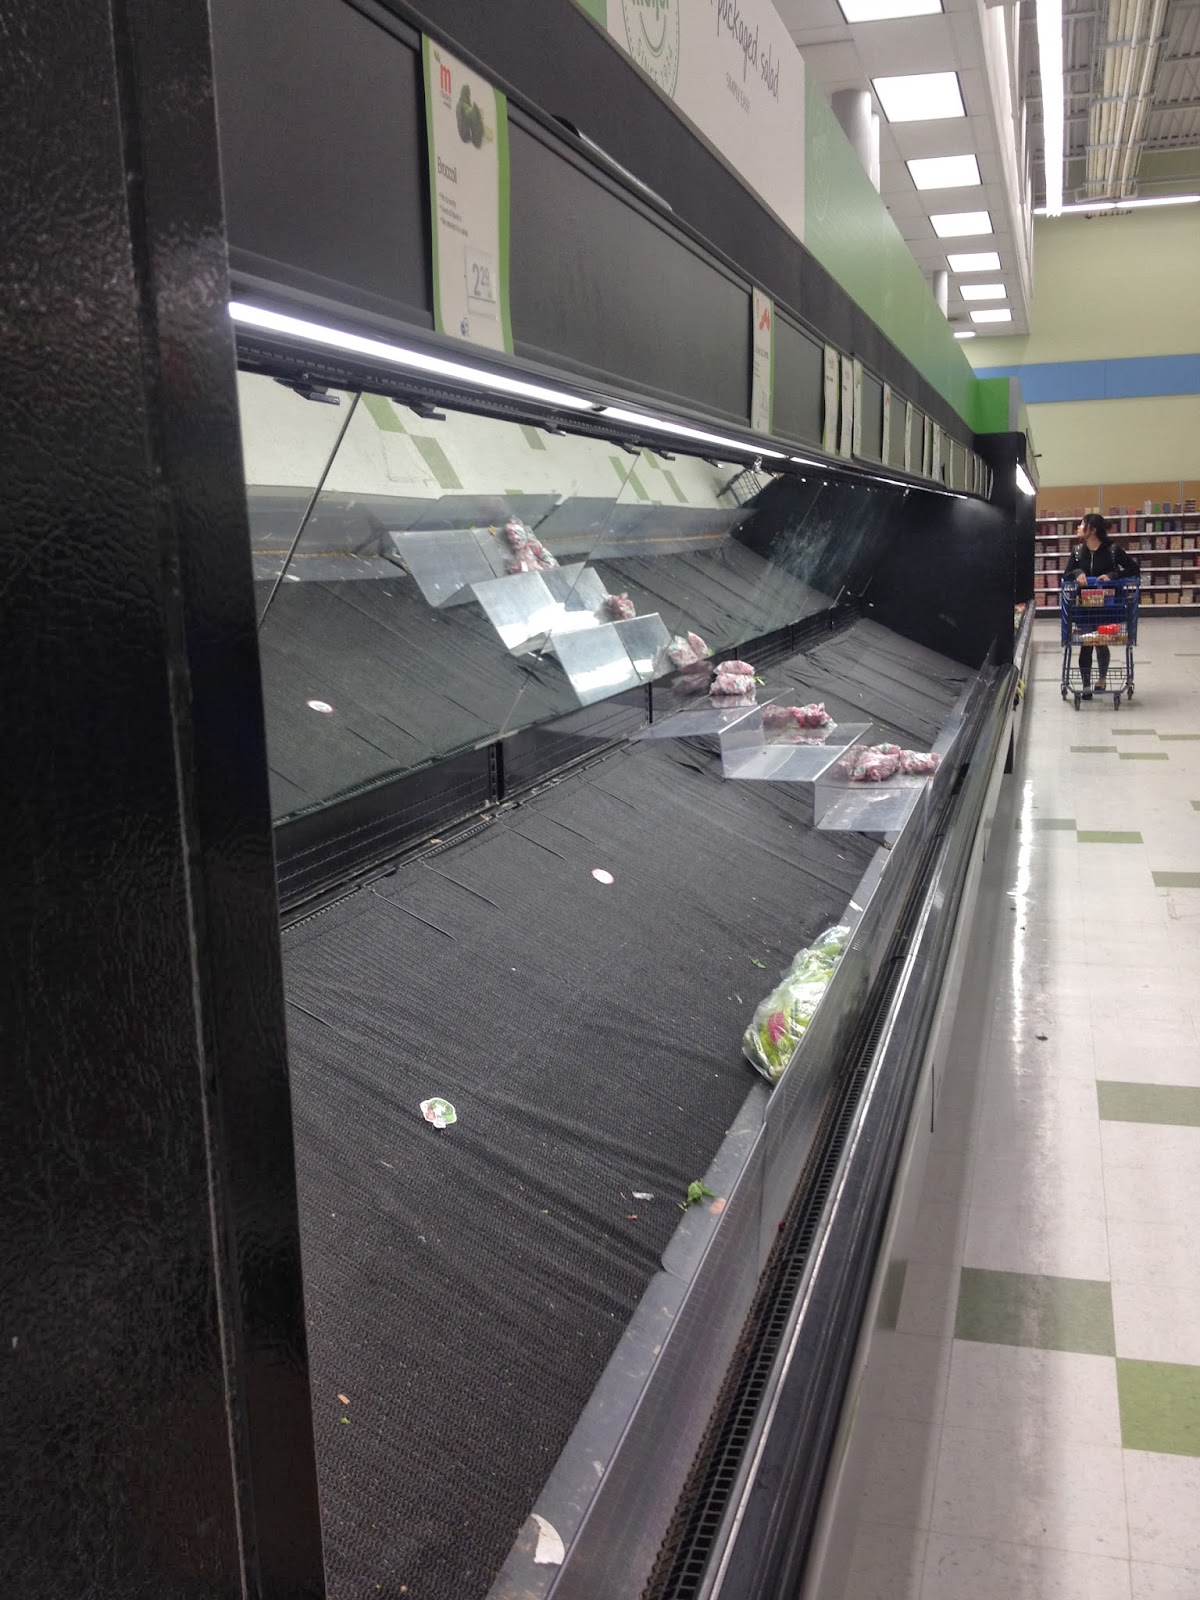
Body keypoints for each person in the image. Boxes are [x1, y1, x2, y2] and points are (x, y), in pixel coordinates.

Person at [1062, 513, 1140, 695]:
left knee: (1101, 643)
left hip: (1107, 606)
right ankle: (1086, 686)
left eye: (1082, 524)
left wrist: (1113, 576)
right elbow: (1066, 575)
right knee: (1085, 645)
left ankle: (1102, 679)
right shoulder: (1077, 551)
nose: (1079, 528)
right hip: (1084, 607)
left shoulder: (1112, 550)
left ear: (1093, 529)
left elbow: (1133, 568)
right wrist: (1078, 572)